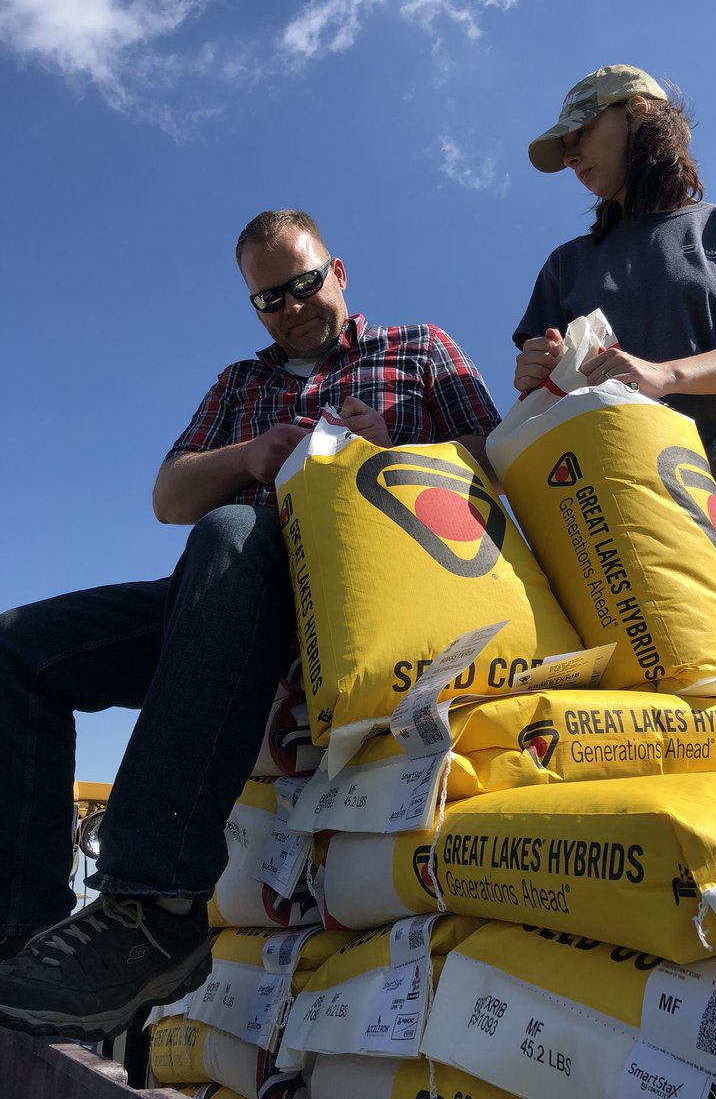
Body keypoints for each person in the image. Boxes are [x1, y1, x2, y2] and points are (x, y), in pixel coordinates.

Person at [0, 209, 500, 1040]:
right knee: (20, 646)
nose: (293, 306)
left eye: (305, 284)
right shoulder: (241, 384)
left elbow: (494, 462)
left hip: (366, 590)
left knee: (232, 530)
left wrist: (397, 457)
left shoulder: (417, 348)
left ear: (338, 271)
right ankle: (25, 932)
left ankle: (154, 904)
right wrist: (249, 456)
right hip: (225, 599)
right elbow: (169, 497)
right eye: (271, 299)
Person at [514, 64, 716, 645]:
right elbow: (543, 396)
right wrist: (536, 370)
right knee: (635, 701)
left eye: (580, 133)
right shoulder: (565, 265)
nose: (572, 157)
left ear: (638, 113)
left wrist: (664, 374)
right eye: (565, 148)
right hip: (608, 502)